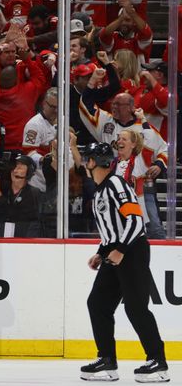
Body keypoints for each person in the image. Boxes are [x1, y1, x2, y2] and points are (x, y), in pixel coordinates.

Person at [78, 142, 168, 383]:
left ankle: (158, 363)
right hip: (115, 251)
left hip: (132, 251)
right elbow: (113, 228)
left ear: (95, 161)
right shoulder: (100, 190)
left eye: (87, 158)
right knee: (97, 303)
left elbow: (135, 221)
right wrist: (102, 250)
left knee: (135, 307)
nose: (85, 162)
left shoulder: (116, 183)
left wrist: (120, 249)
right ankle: (107, 360)